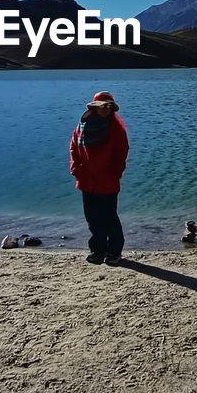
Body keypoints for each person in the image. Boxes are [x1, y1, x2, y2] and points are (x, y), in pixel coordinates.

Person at [68, 90, 128, 265]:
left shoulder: (116, 128)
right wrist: (75, 169)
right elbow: (73, 147)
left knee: (109, 217)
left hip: (107, 181)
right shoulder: (82, 126)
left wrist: (114, 173)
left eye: (109, 106)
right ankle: (98, 251)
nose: (105, 109)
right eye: (102, 105)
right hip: (86, 180)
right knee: (92, 218)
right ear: (94, 107)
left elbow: (121, 153)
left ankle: (114, 252)